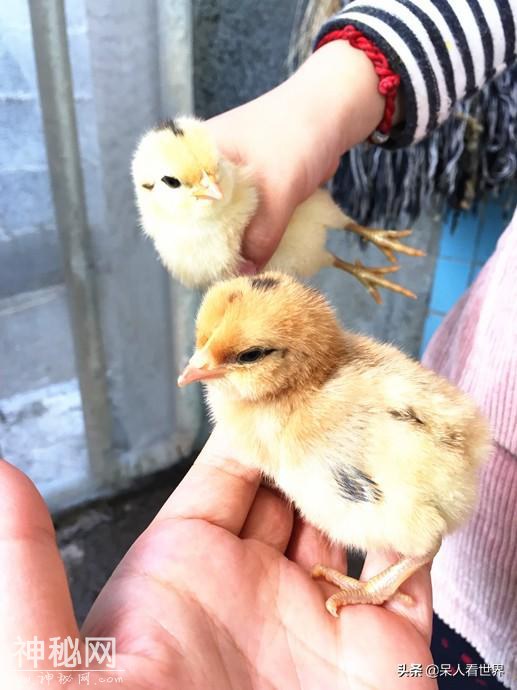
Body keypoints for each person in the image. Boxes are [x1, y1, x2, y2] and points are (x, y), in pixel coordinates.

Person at [1, 2, 515, 688]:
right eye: (206, 346)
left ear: (289, 361)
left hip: (468, 554)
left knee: (463, 656)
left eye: (236, 356)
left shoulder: (320, 412)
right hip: (478, 410)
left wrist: (386, 576)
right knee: (434, 651)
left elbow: (431, 491)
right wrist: (327, 93)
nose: (199, 365)